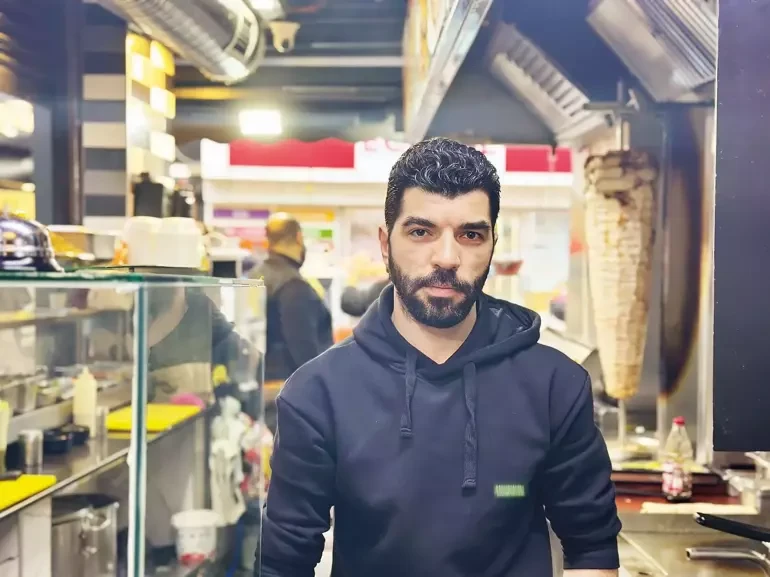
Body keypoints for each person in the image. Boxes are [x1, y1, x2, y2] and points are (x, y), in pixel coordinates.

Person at [260, 138, 621, 577]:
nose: (447, 257)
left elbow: (591, 544)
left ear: (491, 244)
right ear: (385, 243)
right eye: (421, 231)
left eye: (470, 234)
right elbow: (283, 561)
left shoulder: (555, 385)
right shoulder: (318, 393)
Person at [250, 212, 333, 433]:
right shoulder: (294, 287)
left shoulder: (254, 278)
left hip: (260, 390)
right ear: (298, 238)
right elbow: (306, 355)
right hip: (288, 400)